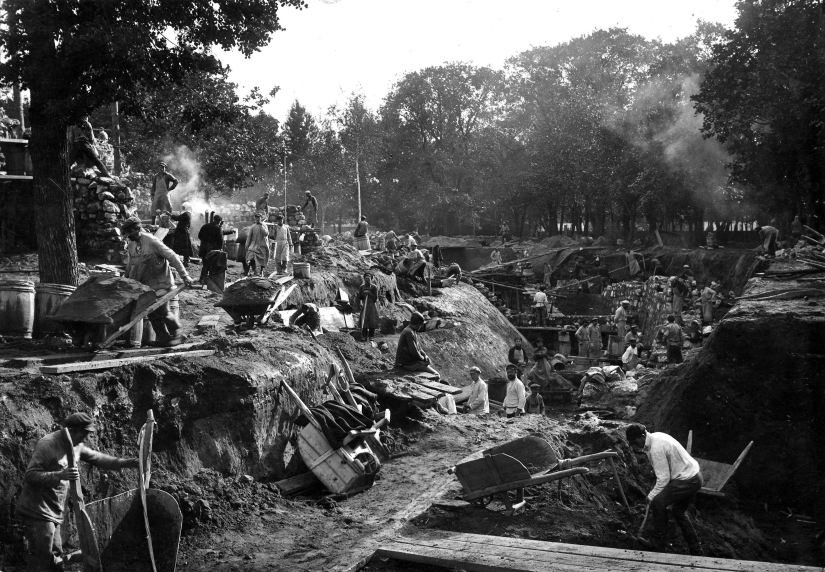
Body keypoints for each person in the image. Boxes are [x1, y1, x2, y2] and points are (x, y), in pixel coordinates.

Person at [16, 412, 139, 572]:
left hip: (55, 511)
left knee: (55, 555)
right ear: (72, 431)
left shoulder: (75, 446)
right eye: (85, 433)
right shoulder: (47, 444)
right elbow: (30, 475)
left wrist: (130, 462)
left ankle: (67, 559)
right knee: (43, 559)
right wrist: (59, 475)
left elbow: (99, 458)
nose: (86, 438)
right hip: (37, 511)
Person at [625, 424, 703, 555]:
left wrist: (651, 496)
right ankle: (696, 550)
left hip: (687, 480)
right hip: (695, 476)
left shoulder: (656, 449)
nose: (634, 445)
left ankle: (658, 545)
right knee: (678, 512)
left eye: (635, 441)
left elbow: (664, 479)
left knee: (658, 503)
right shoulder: (657, 437)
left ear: (642, 436)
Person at [123, 218, 193, 347]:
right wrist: (125, 281)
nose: (127, 235)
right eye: (126, 232)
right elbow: (130, 265)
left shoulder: (152, 241)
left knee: (162, 311)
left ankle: (178, 332)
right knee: (152, 314)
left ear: (138, 229)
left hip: (162, 284)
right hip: (145, 287)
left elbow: (172, 256)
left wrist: (185, 276)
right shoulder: (132, 244)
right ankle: (164, 338)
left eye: (129, 232)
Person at [395, 312, 440, 379]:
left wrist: (425, 355)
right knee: (436, 375)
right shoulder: (409, 332)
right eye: (421, 325)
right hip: (406, 364)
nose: (421, 326)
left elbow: (419, 348)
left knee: (428, 368)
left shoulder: (412, 331)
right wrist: (424, 360)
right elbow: (414, 352)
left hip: (409, 362)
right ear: (418, 324)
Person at [244, 212, 270, 277]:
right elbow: (249, 237)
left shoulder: (264, 225)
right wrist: (247, 245)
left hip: (262, 246)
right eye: (256, 218)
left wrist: (262, 226)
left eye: (259, 218)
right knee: (250, 257)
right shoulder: (253, 226)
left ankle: (261, 271)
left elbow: (266, 234)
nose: (258, 219)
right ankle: (249, 272)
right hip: (254, 245)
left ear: (261, 218)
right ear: (255, 218)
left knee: (262, 259)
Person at [358, 273, 380, 342]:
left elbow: (375, 298)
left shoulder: (374, 287)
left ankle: (371, 336)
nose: (367, 280)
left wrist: (369, 293)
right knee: (364, 321)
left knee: (372, 322)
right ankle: (364, 336)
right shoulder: (361, 287)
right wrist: (363, 293)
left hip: (372, 306)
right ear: (364, 279)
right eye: (366, 279)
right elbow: (360, 297)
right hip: (365, 305)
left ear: (371, 279)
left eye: (369, 279)